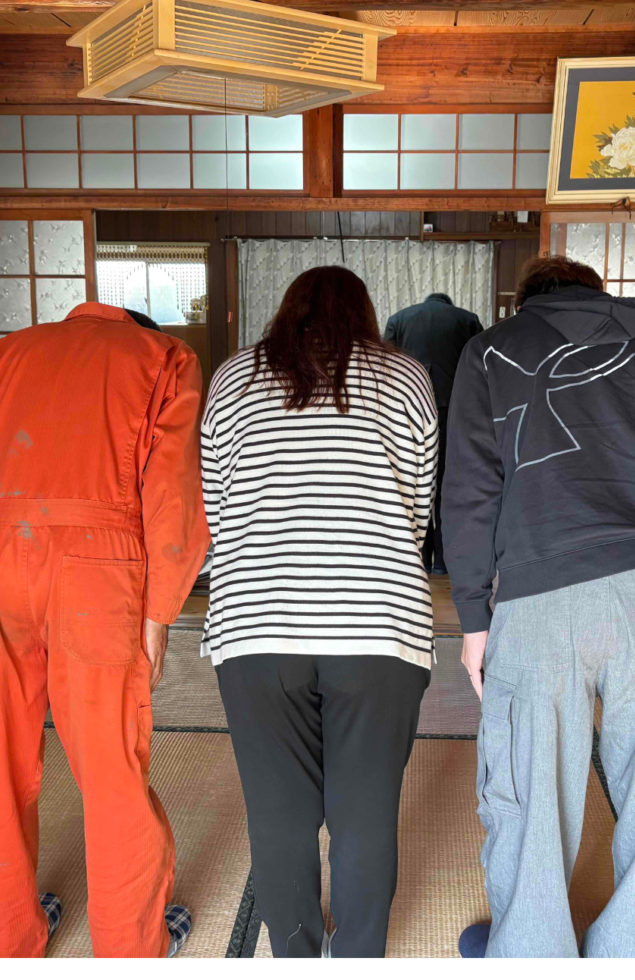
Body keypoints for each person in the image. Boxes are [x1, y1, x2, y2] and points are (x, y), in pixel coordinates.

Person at [0, 301, 210, 958]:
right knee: (112, 767)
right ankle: (128, 948)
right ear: (136, 328)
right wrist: (160, 613)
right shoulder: (164, 357)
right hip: (98, 568)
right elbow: (171, 487)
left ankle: (9, 943)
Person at [201, 266, 438, 958]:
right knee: (365, 813)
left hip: (255, 625)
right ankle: (359, 955)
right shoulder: (406, 377)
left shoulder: (232, 378)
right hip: (378, 623)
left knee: (277, 812)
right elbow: (417, 507)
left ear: (287, 310)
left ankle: (296, 955)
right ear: (365, 313)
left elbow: (218, 506)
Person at [442, 256, 635, 958]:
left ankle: (531, 951)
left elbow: (470, 493)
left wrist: (474, 619)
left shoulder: (491, 349)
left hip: (540, 592)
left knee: (528, 788)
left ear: (527, 300)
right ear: (597, 293)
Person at [385, 292, 482, 574]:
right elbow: (480, 364)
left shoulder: (399, 319)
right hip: (453, 408)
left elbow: (386, 364)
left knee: (414, 480)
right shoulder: (467, 320)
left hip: (407, 410)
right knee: (447, 484)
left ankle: (418, 558)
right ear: (448, 303)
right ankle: (443, 561)